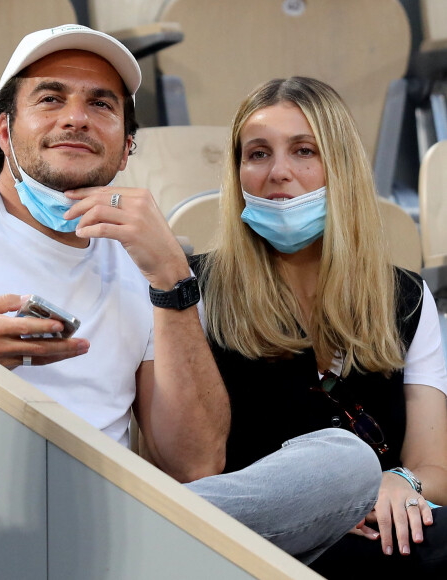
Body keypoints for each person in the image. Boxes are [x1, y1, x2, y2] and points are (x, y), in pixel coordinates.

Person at [0, 26, 381, 564]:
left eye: (101, 104)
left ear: (127, 146)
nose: (75, 117)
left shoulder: (144, 265)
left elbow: (195, 467)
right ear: (4, 130)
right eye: (49, 98)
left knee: (345, 463)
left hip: (105, 521)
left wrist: (171, 280)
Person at [187, 76, 447, 577]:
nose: (278, 172)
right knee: (344, 465)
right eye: (257, 154)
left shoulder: (406, 298)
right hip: (250, 548)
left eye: (304, 151)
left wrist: (401, 483)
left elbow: (433, 468)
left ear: (341, 169)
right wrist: (322, 504)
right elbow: (191, 465)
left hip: (374, 532)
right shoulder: (195, 289)